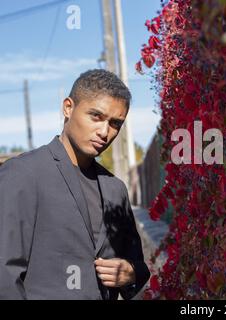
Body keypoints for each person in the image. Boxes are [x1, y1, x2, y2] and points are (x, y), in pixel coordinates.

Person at [0, 69, 150, 300]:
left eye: (115, 123)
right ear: (68, 108)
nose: (104, 132)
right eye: (96, 116)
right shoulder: (22, 174)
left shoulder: (115, 188)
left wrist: (131, 273)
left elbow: (137, 266)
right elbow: (5, 275)